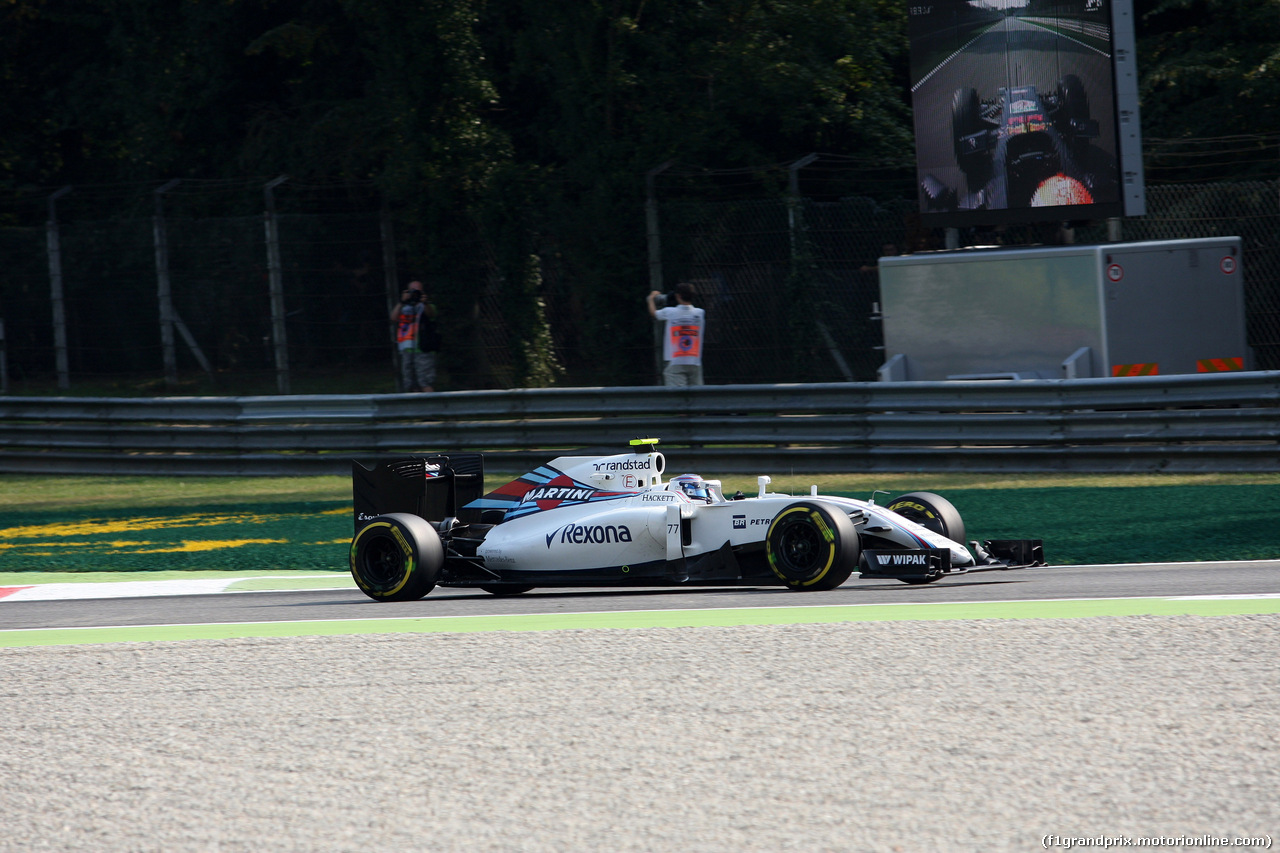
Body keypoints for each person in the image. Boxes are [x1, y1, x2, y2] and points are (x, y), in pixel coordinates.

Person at [647, 281, 706, 386]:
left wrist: (651, 299)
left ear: (678, 296)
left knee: (677, 396)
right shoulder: (700, 313)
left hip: (675, 360)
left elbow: (654, 313)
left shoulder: (669, 312)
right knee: (697, 395)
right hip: (694, 361)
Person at [390, 280, 439, 392]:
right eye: (412, 291)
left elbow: (431, 314)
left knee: (425, 381)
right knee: (410, 382)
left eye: (418, 291)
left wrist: (424, 302)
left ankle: (431, 406)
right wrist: (402, 301)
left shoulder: (427, 306)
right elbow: (393, 318)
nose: (415, 293)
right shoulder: (404, 308)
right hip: (407, 348)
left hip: (423, 347)